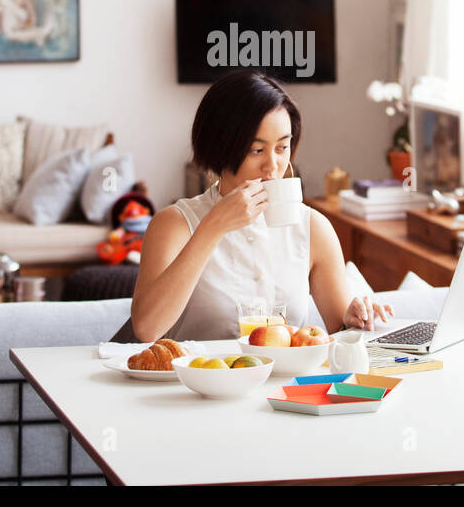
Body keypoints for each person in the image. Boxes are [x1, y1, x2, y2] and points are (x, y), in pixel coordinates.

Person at [130, 70, 393, 342]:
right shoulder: (173, 224)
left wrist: (356, 319)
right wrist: (213, 226)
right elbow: (147, 328)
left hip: (285, 383)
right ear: (220, 147)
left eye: (282, 148)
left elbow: (342, 336)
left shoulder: (312, 227)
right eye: (257, 150)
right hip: (198, 383)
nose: (272, 166)